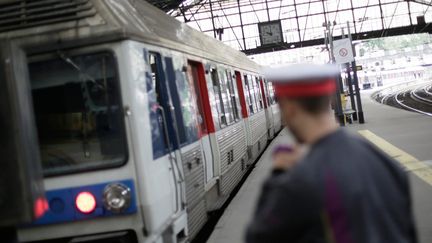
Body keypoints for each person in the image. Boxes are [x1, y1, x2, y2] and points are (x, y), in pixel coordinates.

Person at [245, 64, 417, 243]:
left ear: (289, 107)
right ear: (329, 100)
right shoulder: (384, 162)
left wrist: (277, 175)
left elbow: (258, 237)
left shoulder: (299, 181)